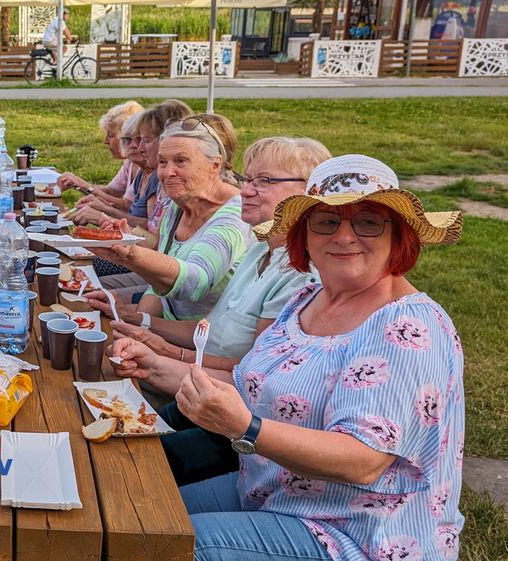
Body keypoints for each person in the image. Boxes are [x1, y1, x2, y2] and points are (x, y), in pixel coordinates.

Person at [159, 154, 465, 561]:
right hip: (273, 492)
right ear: (304, 235)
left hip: (359, 535)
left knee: (166, 543)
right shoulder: (307, 298)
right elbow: (264, 385)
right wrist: (158, 364)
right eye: (326, 221)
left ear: (399, 234)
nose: (344, 236)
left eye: (368, 221)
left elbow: (364, 461)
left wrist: (245, 427)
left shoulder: (408, 325)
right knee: (145, 511)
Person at [107, 136, 330, 486]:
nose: (247, 191)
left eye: (265, 182)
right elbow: (210, 329)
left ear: (311, 192)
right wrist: (145, 323)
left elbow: (253, 375)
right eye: (247, 179)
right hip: (200, 391)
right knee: (119, 433)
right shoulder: (261, 249)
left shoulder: (301, 275)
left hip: (239, 424)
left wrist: (167, 352)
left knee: (131, 466)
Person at [87, 115, 253, 321]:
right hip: (165, 327)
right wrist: (136, 325)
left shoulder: (234, 216)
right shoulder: (178, 205)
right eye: (163, 162)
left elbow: (196, 283)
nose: (167, 173)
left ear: (215, 165)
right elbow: (158, 288)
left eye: (181, 161)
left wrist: (132, 255)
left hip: (198, 344)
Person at [58, 101, 145, 224]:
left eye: (111, 135)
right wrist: (76, 184)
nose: (106, 141)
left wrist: (84, 186)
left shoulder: (148, 170)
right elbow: (112, 191)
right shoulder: (130, 163)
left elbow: (127, 205)